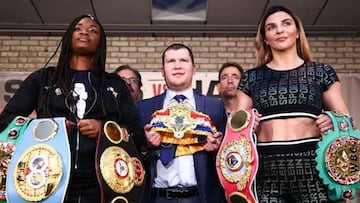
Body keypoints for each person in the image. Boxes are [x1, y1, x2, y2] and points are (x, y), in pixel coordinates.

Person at [0, 14, 145, 203]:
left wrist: (104, 130)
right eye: (78, 28)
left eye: (93, 30)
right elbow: (6, 120)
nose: (85, 31)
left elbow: (137, 134)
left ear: (101, 42)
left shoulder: (114, 85)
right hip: (46, 182)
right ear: (69, 36)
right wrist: (51, 128)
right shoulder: (43, 79)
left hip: (102, 185)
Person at [236, 5, 351, 203]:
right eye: (271, 27)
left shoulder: (321, 72)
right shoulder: (250, 78)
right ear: (265, 38)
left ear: (297, 32)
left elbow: (347, 123)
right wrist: (245, 126)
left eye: (286, 24)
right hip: (266, 173)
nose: (279, 30)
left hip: (314, 169)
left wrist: (332, 120)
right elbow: (235, 130)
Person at [137, 43, 227, 203]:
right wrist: (144, 146)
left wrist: (216, 150)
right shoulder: (144, 108)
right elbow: (132, 158)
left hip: (200, 198)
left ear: (194, 68)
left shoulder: (215, 107)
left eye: (183, 60)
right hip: (157, 198)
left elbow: (227, 160)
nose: (177, 66)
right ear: (162, 71)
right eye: (171, 61)